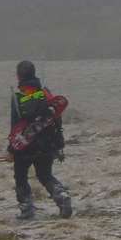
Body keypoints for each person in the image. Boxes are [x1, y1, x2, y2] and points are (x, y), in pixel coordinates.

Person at [7, 59, 73, 219]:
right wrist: (58, 144)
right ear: (34, 73)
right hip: (47, 143)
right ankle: (62, 196)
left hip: (24, 148)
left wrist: (11, 150)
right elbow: (56, 118)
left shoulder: (17, 97)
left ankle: (27, 210)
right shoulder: (45, 93)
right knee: (45, 175)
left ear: (18, 77)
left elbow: (16, 126)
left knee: (20, 176)